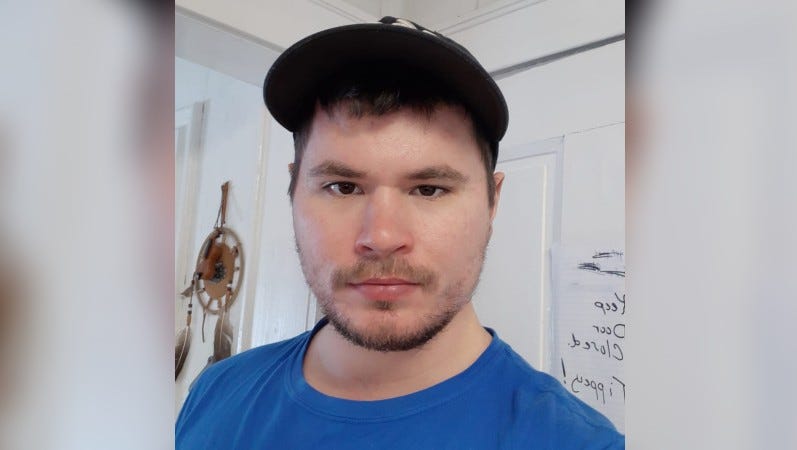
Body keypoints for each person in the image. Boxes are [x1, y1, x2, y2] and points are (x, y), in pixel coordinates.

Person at [176, 16, 624, 449]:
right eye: (343, 187)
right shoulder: (215, 393)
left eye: (429, 189)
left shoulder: (577, 442)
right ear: (293, 190)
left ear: (493, 202)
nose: (383, 237)